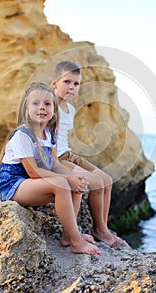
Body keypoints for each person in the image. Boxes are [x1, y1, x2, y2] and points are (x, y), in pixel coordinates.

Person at [0, 81, 101, 255]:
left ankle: (69, 234)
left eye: (47, 104)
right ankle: (76, 242)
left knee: (75, 185)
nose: (41, 107)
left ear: (54, 109)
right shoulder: (22, 135)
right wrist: (67, 179)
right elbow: (32, 171)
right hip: (12, 185)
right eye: (35, 103)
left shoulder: (49, 135)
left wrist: (74, 178)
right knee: (61, 183)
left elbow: (55, 165)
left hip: (30, 182)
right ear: (26, 108)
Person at [51, 61, 123, 248]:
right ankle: (72, 234)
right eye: (67, 82)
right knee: (96, 183)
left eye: (76, 84)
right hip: (55, 158)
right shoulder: (49, 106)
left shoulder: (71, 109)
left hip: (67, 154)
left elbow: (64, 137)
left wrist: (74, 158)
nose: (72, 87)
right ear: (54, 84)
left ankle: (101, 227)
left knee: (106, 179)